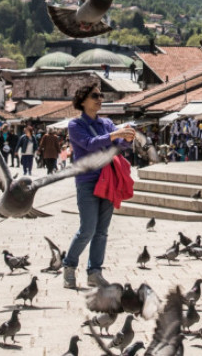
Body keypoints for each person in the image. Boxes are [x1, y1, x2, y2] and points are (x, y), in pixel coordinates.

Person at [62, 83, 135, 290]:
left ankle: (95, 272)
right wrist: (115, 135)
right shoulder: (75, 125)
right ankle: (69, 266)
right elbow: (89, 143)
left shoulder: (107, 123)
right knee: (87, 228)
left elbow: (118, 147)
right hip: (87, 181)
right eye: (95, 95)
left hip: (108, 178)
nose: (100, 99)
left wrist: (127, 138)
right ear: (82, 100)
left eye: (101, 95)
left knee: (102, 231)